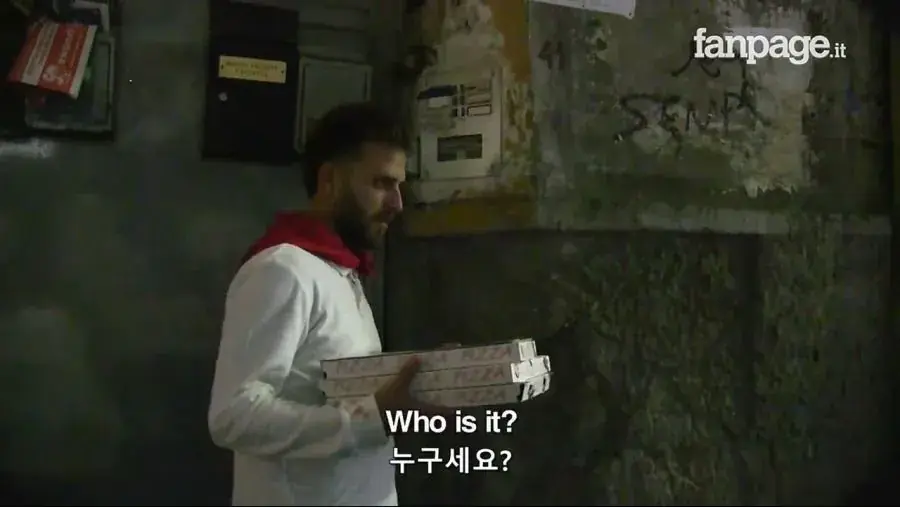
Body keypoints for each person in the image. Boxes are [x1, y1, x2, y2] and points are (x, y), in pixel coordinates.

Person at [207, 102, 444, 506]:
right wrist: (374, 417)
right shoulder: (282, 270)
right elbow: (234, 416)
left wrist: (434, 378)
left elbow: (337, 392)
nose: (397, 203)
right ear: (330, 180)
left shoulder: (340, 272)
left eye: (399, 186)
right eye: (382, 183)